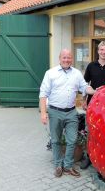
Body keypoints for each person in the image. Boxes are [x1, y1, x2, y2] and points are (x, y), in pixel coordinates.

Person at [39, 49, 95, 178]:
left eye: (69, 57)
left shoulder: (76, 73)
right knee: (56, 140)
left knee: (72, 139)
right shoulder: (50, 73)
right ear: (60, 58)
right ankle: (58, 165)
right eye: (64, 57)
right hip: (54, 111)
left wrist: (97, 91)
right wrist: (43, 113)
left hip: (71, 112)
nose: (66, 60)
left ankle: (68, 166)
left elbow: (85, 87)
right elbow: (43, 94)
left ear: (72, 59)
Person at [80, 41, 105, 169]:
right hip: (93, 105)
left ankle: (102, 159)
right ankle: (89, 157)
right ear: (98, 51)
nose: (103, 52)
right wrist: (83, 99)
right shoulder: (91, 66)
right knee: (90, 131)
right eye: (101, 50)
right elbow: (84, 84)